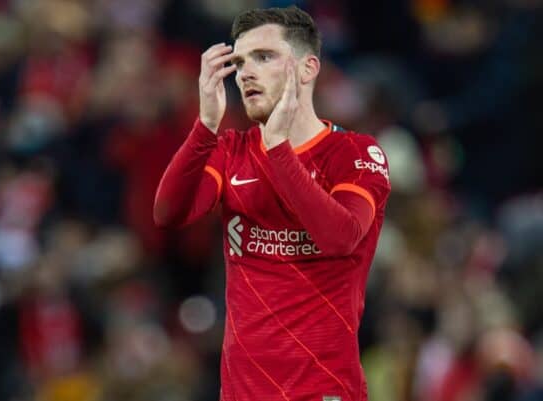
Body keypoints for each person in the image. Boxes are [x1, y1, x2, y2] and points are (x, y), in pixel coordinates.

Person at [154, 6, 391, 401]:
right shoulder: (231, 150)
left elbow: (341, 237)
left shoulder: (355, 153)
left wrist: (279, 150)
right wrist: (206, 126)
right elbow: (169, 213)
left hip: (323, 391)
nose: (246, 72)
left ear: (307, 68)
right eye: (240, 61)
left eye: (264, 57)